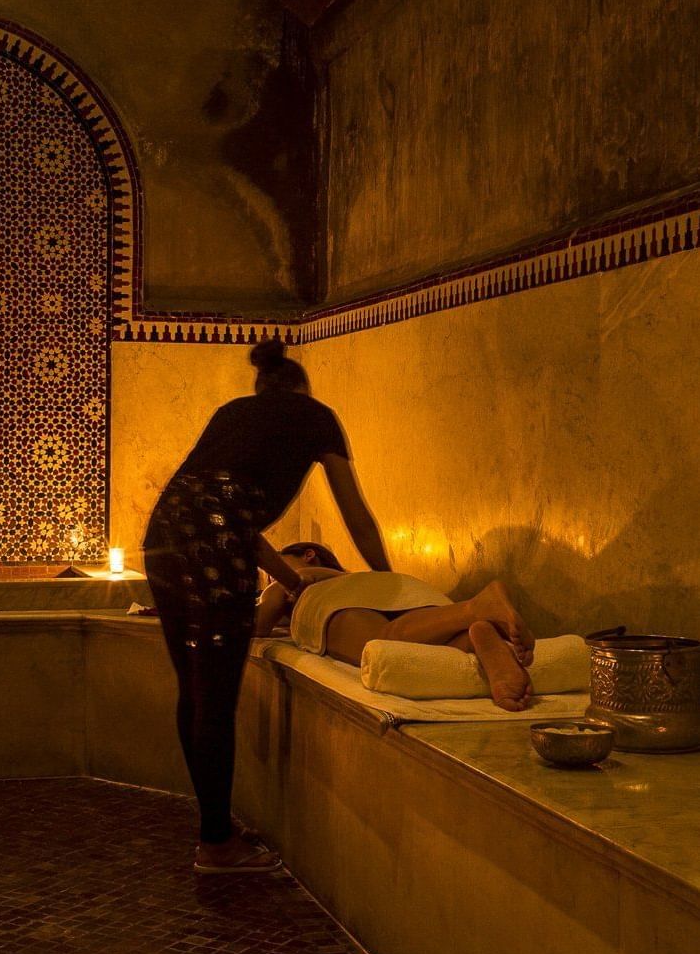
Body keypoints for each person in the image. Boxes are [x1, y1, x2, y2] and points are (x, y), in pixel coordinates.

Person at [142, 339, 391, 875]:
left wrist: (290, 579)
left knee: (194, 688)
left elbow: (214, 507)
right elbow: (355, 513)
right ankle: (216, 845)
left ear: (261, 388)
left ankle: (215, 830)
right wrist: (389, 581)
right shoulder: (316, 415)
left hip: (161, 538)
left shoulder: (233, 412)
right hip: (216, 548)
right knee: (216, 696)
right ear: (302, 388)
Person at [254, 554, 536, 712]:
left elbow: (258, 625)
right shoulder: (357, 574)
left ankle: (476, 609)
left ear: (307, 554)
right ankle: (474, 633)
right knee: (430, 640)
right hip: (403, 587)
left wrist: (271, 593)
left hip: (332, 597)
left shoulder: (301, 575)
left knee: (383, 641)